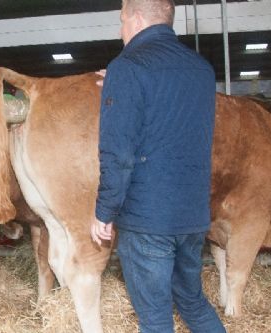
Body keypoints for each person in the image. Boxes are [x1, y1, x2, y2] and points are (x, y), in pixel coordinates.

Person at [90, 1, 226, 332]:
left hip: (148, 218)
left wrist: (104, 211)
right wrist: (122, 85)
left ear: (136, 18)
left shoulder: (128, 66)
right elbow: (169, 113)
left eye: (121, 21)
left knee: (154, 318)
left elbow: (119, 153)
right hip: (192, 216)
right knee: (192, 302)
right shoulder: (201, 69)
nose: (121, 30)